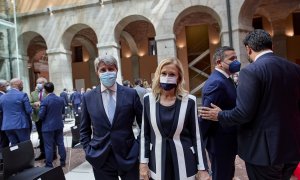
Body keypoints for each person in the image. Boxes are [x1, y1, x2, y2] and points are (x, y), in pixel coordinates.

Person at [199, 29, 300, 180]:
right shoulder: (295, 68)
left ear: (249, 48)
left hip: (264, 153)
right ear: (270, 45)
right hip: (292, 146)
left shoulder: (251, 71)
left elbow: (243, 113)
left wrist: (219, 114)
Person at [140, 57, 209, 180]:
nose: (167, 77)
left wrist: (202, 168)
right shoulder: (148, 100)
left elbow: (197, 137)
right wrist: (143, 163)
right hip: (157, 163)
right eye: (164, 73)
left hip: (185, 163)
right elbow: (144, 135)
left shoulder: (189, 101)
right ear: (158, 75)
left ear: (179, 78)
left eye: (172, 74)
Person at [80, 55, 143, 180]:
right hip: (101, 157)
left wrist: (138, 146)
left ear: (116, 70)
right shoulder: (88, 97)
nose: (107, 72)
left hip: (129, 154)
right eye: (103, 70)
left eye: (111, 69)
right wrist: (88, 150)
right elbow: (84, 129)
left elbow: (144, 124)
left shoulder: (130, 94)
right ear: (97, 73)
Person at [200, 46, 240, 180]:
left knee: (228, 174)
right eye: (231, 59)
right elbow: (206, 115)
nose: (236, 61)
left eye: (236, 58)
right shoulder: (216, 82)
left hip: (227, 140)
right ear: (219, 62)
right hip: (220, 143)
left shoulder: (226, 79)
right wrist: (201, 142)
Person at [39, 82, 66, 168]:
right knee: (60, 143)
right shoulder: (61, 99)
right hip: (58, 125)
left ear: (45, 90)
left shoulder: (45, 100)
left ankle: (49, 164)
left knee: (48, 146)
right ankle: (63, 162)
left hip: (47, 127)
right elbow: (63, 112)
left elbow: (41, 115)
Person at [0, 78, 32, 145]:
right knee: (25, 145)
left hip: (7, 126)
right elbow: (28, 110)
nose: (22, 86)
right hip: (21, 125)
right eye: (22, 84)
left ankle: (16, 156)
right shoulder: (23, 95)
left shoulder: (2, 97)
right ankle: (25, 156)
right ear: (18, 84)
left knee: (15, 146)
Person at [0, 79, 10, 149]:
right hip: (2, 122)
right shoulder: (1, 96)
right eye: (6, 85)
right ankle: (2, 158)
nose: (8, 87)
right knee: (4, 141)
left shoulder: (4, 94)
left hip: (4, 122)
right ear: (1, 87)